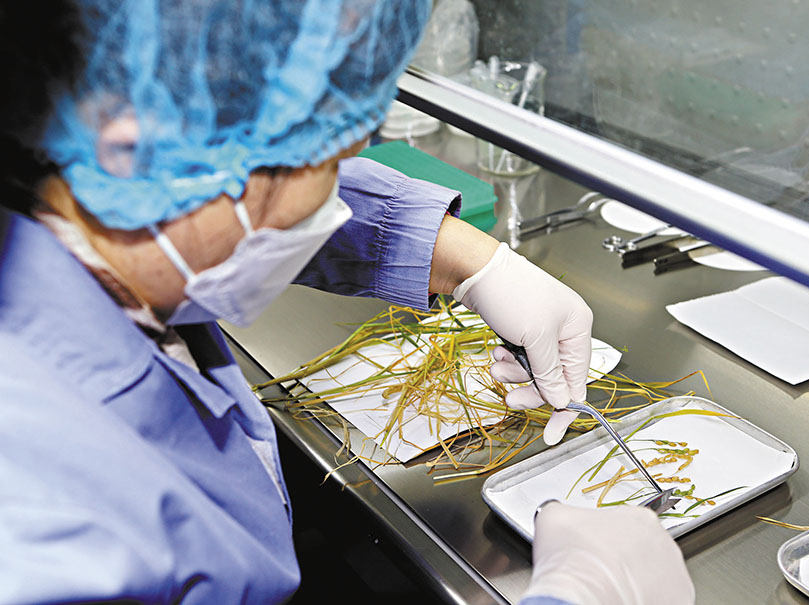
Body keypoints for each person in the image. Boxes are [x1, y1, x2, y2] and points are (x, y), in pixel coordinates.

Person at [0, 1, 693, 603]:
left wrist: (468, 260)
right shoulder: (39, 514)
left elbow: (233, 183)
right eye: (328, 161)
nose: (338, 192)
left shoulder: (84, 190)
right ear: (140, 151)